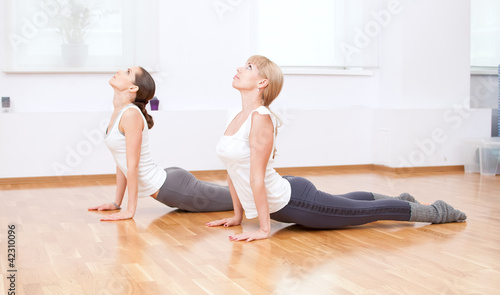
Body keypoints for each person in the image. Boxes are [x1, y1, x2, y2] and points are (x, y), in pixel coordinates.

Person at [206, 55, 467, 241]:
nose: (240, 68)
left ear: (262, 82)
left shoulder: (260, 117)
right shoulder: (235, 115)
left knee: (365, 213)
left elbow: (256, 178)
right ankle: (401, 200)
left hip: (295, 201)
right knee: (344, 203)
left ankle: (437, 211)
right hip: (289, 190)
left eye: (248, 66)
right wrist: (238, 217)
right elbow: (233, 169)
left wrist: (264, 230)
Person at [88, 66, 232, 221]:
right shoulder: (120, 113)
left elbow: (133, 166)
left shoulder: (131, 114)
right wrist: (116, 203)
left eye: (128, 72)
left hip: (173, 188)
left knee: (239, 198)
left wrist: (130, 211)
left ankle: (260, 187)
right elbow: (121, 162)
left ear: (133, 87)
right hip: (170, 181)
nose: (120, 71)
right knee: (235, 193)